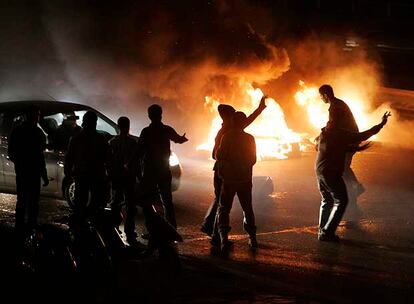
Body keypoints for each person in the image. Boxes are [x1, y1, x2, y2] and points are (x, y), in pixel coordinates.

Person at [316, 111, 391, 242]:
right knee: (342, 200)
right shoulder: (340, 134)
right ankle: (327, 233)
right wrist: (382, 124)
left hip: (319, 171)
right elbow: (363, 135)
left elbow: (318, 147)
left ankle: (322, 230)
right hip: (331, 172)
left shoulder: (324, 133)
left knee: (327, 200)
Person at [201, 96, 267, 238]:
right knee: (227, 206)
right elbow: (215, 155)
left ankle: (213, 231)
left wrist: (260, 109)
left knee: (221, 204)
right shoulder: (226, 133)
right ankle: (216, 234)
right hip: (229, 175)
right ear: (229, 117)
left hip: (227, 175)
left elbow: (247, 120)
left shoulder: (229, 131)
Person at [319, 84, 364, 222]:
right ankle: (354, 191)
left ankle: (355, 189)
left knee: (343, 166)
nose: (321, 99)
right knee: (344, 166)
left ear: (326, 95)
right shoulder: (338, 104)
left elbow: (334, 124)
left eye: (321, 96)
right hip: (349, 138)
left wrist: (323, 131)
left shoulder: (335, 107)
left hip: (349, 140)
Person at [138, 104, 188, 228]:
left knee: (148, 201)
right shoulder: (167, 129)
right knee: (167, 201)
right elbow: (178, 139)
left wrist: (132, 166)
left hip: (150, 171)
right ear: (161, 115)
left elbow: (139, 150)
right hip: (164, 171)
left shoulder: (146, 131)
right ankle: (171, 228)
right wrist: (182, 138)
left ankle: (152, 228)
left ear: (149, 116)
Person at [215, 111, 258, 252]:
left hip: (229, 180)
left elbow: (219, 156)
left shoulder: (226, 137)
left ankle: (223, 240)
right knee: (247, 208)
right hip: (244, 179)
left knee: (224, 209)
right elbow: (253, 159)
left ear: (233, 122)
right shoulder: (250, 138)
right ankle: (252, 238)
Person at [8, 105, 49, 238]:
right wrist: (44, 175)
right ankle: (31, 225)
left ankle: (19, 227)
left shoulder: (17, 131)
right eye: (37, 115)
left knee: (22, 200)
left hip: (23, 171)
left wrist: (20, 164)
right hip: (34, 172)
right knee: (33, 201)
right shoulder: (38, 133)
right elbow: (40, 156)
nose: (38, 117)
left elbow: (11, 153)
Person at [64, 111, 110, 223]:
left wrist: (68, 174)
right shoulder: (101, 139)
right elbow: (108, 159)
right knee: (95, 203)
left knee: (81, 203)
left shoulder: (76, 139)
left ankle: (80, 227)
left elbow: (69, 159)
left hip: (82, 175)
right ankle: (91, 226)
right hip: (96, 175)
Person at [108, 116, 140, 245]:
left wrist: (110, 175)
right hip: (129, 178)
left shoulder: (112, 142)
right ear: (128, 127)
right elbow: (136, 162)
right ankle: (129, 230)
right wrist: (139, 176)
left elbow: (109, 161)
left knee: (116, 202)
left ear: (118, 126)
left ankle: (114, 227)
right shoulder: (132, 143)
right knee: (130, 204)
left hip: (117, 177)